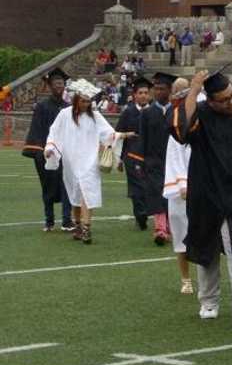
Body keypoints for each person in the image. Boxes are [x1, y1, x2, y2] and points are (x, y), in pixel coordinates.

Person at [169, 67, 232, 324]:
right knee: (206, 248)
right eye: (222, 100)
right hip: (207, 191)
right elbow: (181, 131)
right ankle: (208, 301)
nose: (230, 102)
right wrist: (194, 90)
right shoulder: (200, 115)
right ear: (209, 101)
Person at [44, 79, 131, 244]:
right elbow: (54, 133)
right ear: (76, 100)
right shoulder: (64, 115)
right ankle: (78, 226)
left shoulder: (95, 116)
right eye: (83, 101)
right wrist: (50, 149)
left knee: (87, 193)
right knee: (75, 196)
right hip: (71, 162)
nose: (86, 104)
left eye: (88, 101)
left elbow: (108, 133)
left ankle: (86, 228)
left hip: (89, 161)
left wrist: (124, 135)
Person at [22, 68, 73, 232]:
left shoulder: (68, 108)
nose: (59, 85)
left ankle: (66, 220)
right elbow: (36, 130)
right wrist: (39, 152)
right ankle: (49, 221)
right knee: (48, 187)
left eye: (62, 83)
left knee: (67, 186)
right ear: (50, 86)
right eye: (56, 83)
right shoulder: (42, 107)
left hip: (65, 155)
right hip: (47, 154)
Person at [138, 73, 176, 245]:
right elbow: (142, 139)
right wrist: (141, 162)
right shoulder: (147, 113)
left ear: (170, 90)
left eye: (162, 89)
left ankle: (170, 227)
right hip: (153, 162)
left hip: (173, 162)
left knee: (171, 194)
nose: (159, 92)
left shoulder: (176, 111)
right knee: (156, 194)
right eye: (157, 89)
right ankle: (160, 229)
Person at [164, 77, 194, 295]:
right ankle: (186, 279)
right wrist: (183, 182)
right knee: (181, 235)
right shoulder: (174, 121)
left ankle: (208, 278)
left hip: (202, 186)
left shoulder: (200, 117)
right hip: (179, 190)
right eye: (177, 91)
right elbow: (174, 156)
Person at [115, 77, 151, 230]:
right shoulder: (128, 113)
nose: (143, 95)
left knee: (149, 187)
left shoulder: (155, 110)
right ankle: (140, 216)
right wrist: (119, 159)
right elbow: (118, 134)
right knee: (136, 189)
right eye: (140, 93)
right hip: (131, 156)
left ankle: (149, 213)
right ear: (135, 95)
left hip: (151, 157)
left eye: (146, 92)